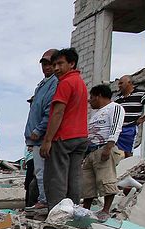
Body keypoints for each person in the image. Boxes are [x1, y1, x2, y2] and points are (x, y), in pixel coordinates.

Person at [39, 48, 89, 209]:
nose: (56, 68)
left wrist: (47, 140)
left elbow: (58, 112)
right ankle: (72, 210)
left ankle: (57, 213)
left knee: (56, 177)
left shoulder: (66, 83)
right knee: (73, 177)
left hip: (64, 137)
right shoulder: (80, 82)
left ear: (71, 63)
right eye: (54, 65)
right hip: (80, 136)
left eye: (60, 64)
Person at [81, 85, 125, 220]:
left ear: (99, 95)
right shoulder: (96, 114)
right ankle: (85, 211)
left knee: (106, 179)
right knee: (88, 183)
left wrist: (108, 147)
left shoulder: (115, 108)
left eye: (92, 97)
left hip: (104, 148)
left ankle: (106, 210)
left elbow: (116, 127)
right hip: (91, 152)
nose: (90, 101)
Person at [24, 49, 59, 210]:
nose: (46, 67)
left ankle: (45, 201)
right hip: (37, 138)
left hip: (43, 137)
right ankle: (43, 200)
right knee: (40, 172)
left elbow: (49, 112)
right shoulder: (43, 84)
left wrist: (38, 130)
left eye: (49, 64)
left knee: (42, 172)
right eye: (44, 64)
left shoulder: (54, 83)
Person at [115, 75, 145, 157]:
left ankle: (128, 168)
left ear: (129, 83)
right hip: (118, 128)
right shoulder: (117, 98)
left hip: (130, 128)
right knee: (116, 152)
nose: (119, 85)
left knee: (128, 152)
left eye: (121, 83)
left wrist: (143, 118)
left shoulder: (140, 94)